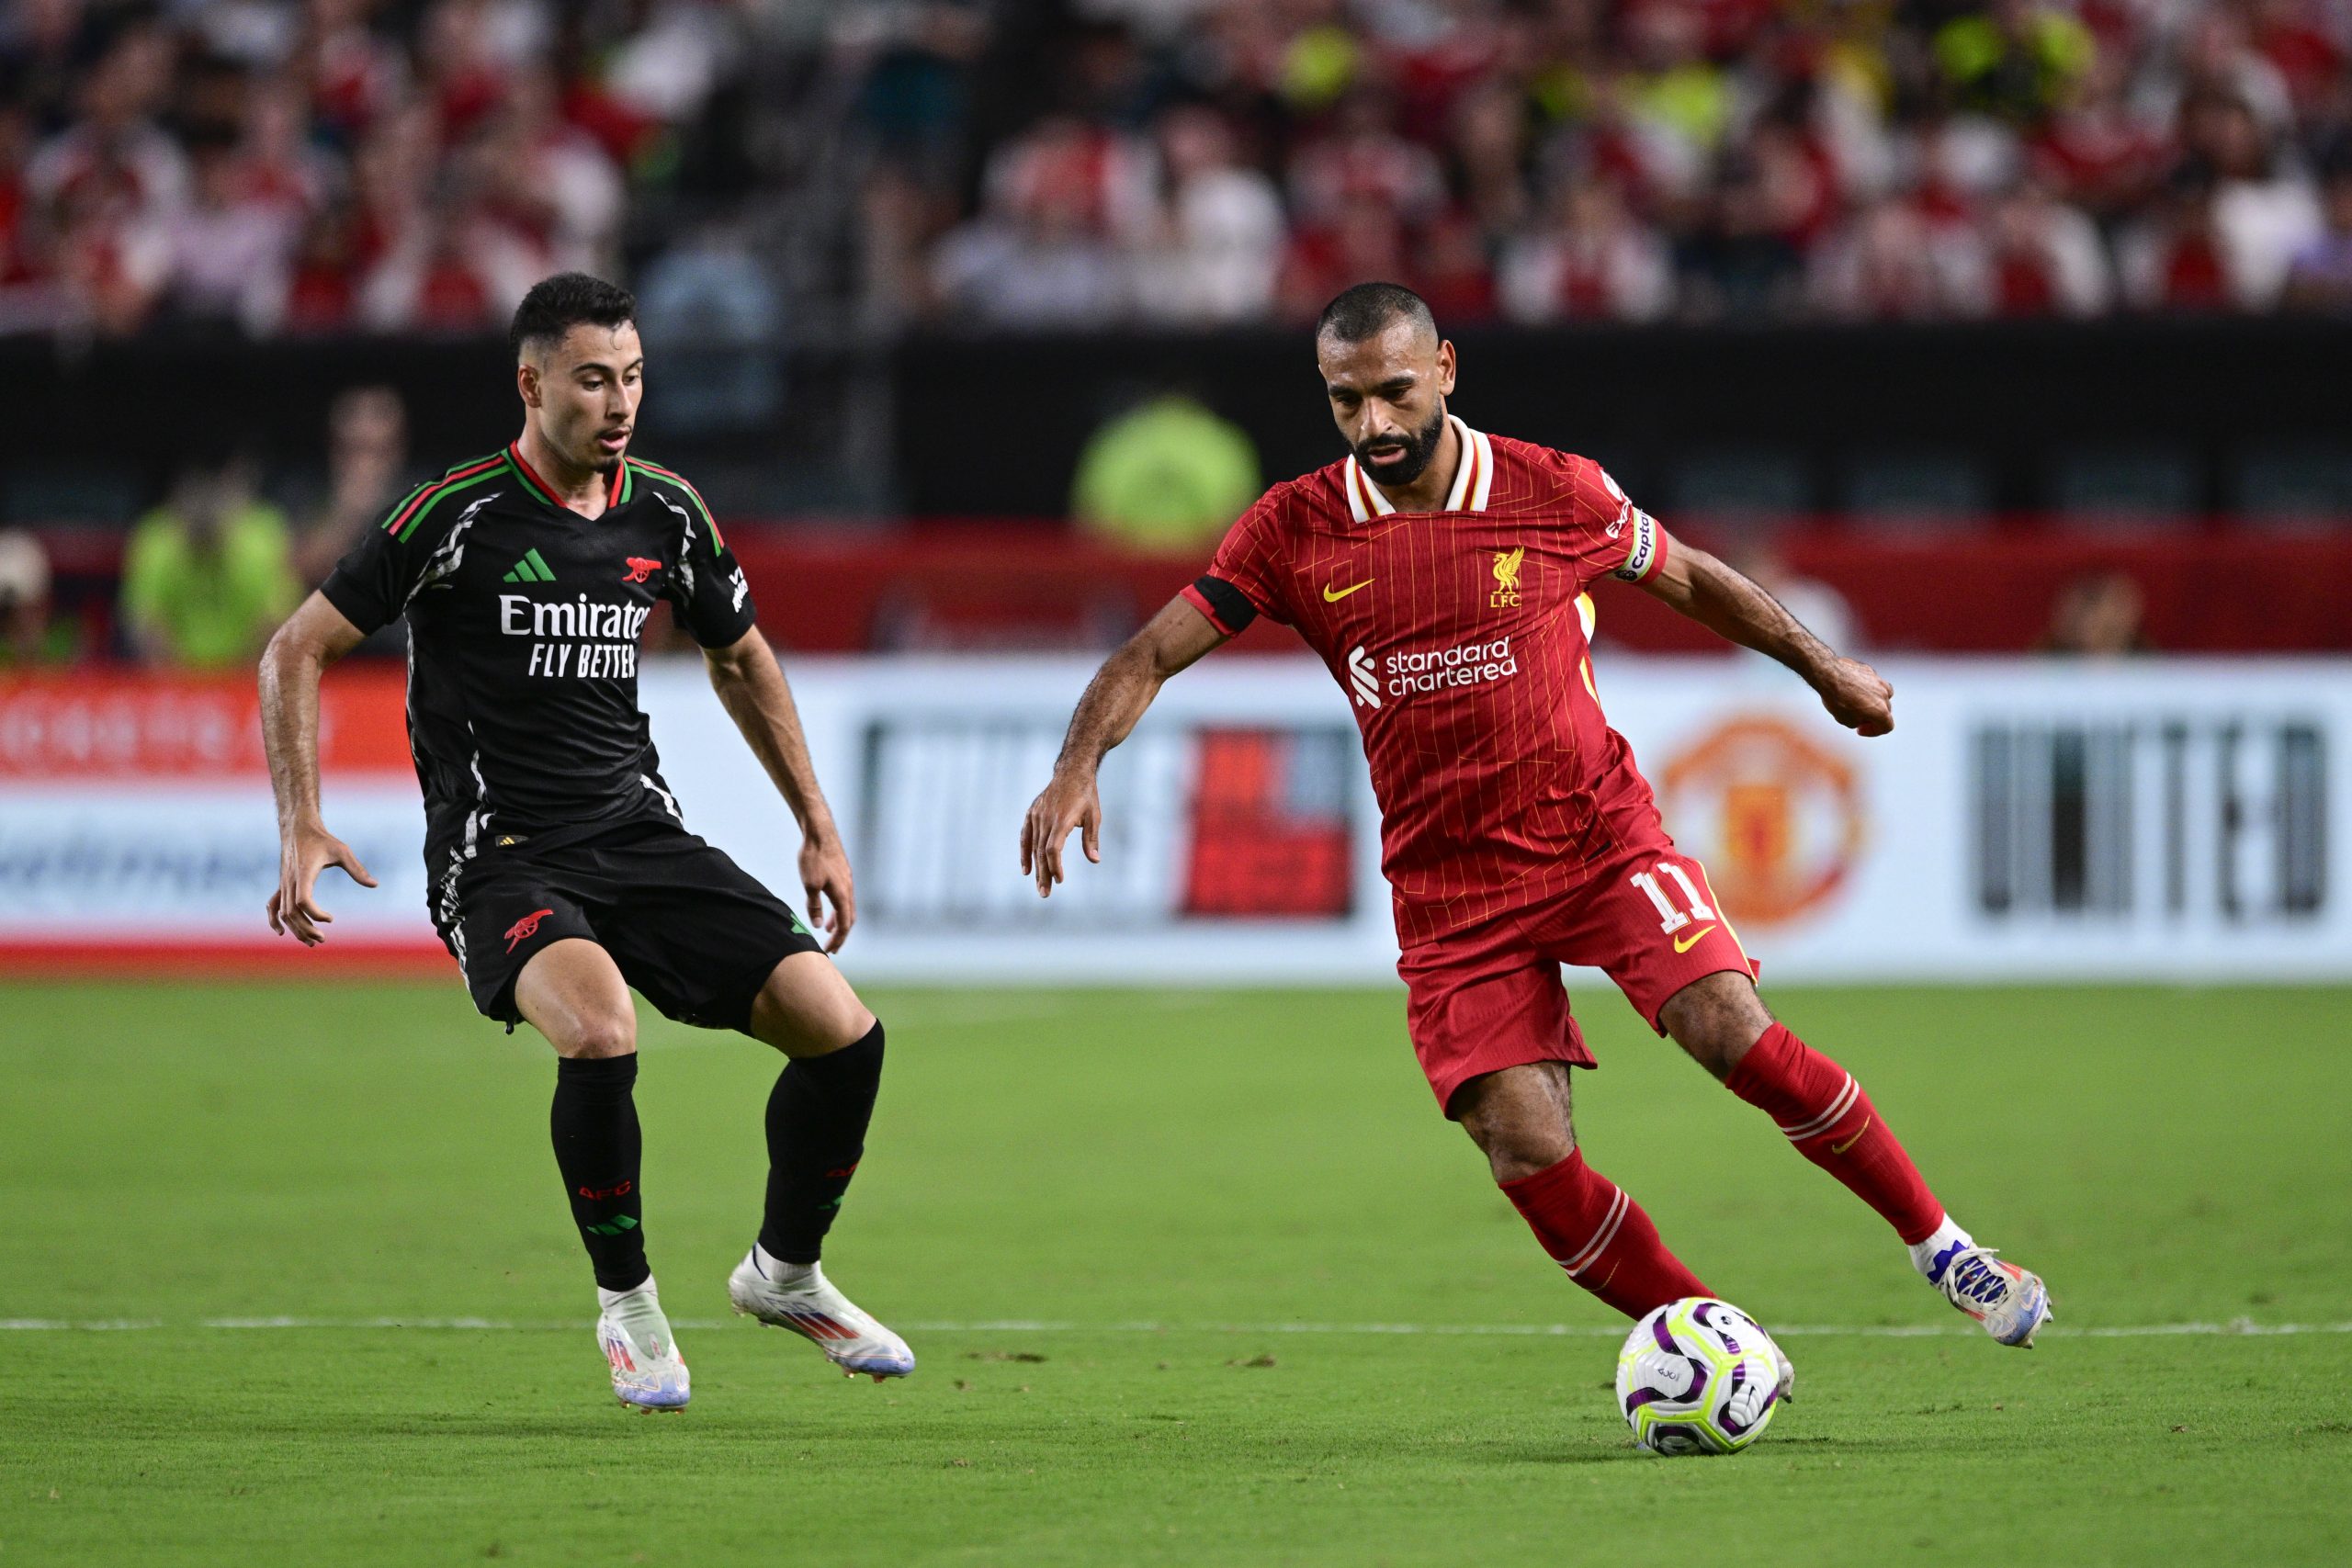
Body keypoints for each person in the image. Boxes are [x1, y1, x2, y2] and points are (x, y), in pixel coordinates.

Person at [1020, 283, 2051, 1371]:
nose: (1373, 424)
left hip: (1597, 840)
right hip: (1450, 890)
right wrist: (1077, 762)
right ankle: (1720, 1341)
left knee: (1726, 1027)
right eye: (1345, 401)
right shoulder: (1291, 529)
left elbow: (1691, 578)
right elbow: (1147, 655)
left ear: (1447, 370)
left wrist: (1824, 667)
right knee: (1522, 1146)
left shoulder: (1551, 488)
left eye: (1394, 392)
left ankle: (1945, 1249)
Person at [256, 273, 913, 1411]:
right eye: (594, 379)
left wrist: (817, 826)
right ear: (532, 383)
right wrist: (302, 818)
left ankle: (785, 1273)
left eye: (635, 377)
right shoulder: (450, 513)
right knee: (602, 1031)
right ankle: (629, 1306)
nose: (620, 403)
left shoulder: (667, 510)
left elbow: (742, 656)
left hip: (637, 832)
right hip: (502, 852)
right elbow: (294, 651)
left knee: (844, 1035)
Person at [119, 453, 300, 669]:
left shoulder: (262, 536)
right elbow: (145, 623)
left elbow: (277, 623)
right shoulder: (156, 539)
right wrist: (182, 683)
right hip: (174, 677)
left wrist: (240, 682)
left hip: (248, 674)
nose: (203, 508)